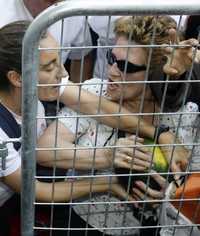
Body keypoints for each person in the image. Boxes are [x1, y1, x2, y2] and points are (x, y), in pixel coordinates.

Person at [38, 15, 200, 235]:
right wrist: (106, 156)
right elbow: (45, 150)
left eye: (126, 66)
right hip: (78, 225)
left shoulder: (185, 115)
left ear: (154, 71)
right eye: (111, 58)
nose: (112, 71)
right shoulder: (94, 91)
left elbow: (193, 180)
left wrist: (169, 194)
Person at [0, 21, 139, 235]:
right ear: (17, 78)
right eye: (50, 66)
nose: (63, 72)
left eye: (60, 60)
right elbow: (36, 190)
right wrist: (107, 183)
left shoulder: (39, 84)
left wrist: (160, 133)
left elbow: (97, 105)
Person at [0, 0, 93, 82]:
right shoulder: (3, 12)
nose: (55, 6)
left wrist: (77, 96)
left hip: (55, 92)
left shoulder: (71, 8)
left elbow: (81, 56)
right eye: (50, 1)